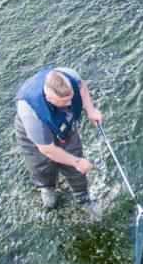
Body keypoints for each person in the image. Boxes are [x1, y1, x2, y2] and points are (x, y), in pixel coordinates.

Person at [14, 67, 103, 218]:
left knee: (75, 164)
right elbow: (47, 149)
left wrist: (91, 110)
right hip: (37, 138)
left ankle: (83, 199)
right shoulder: (30, 113)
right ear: (49, 98)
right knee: (42, 165)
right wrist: (77, 162)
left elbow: (81, 87)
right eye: (64, 102)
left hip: (64, 127)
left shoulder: (70, 77)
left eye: (70, 99)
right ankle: (47, 187)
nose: (69, 104)